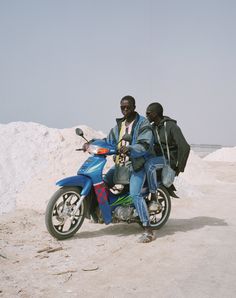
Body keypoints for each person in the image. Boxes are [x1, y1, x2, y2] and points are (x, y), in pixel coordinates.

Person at [105, 95, 155, 243]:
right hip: (121, 164)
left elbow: (145, 144)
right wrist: (91, 144)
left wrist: (131, 148)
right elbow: (108, 140)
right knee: (104, 182)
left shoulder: (143, 123)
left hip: (136, 164)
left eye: (128, 107)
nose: (125, 109)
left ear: (134, 107)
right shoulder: (120, 125)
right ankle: (111, 211)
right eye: (122, 107)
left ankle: (148, 230)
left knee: (135, 194)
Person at [145, 102, 190, 198]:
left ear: (155, 113)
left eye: (148, 113)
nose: (146, 115)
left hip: (170, 162)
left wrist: (179, 167)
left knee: (165, 182)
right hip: (158, 160)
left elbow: (185, 147)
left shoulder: (171, 127)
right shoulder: (152, 128)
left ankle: (159, 197)